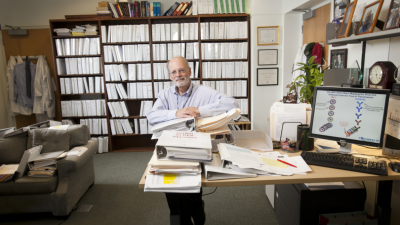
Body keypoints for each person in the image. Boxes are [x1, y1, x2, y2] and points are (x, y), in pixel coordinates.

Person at [147, 56, 238, 225]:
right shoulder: (165, 94)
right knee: (172, 194)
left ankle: (197, 216)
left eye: (182, 70)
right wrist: (175, 113)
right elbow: (151, 117)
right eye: (174, 72)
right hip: (169, 150)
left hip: (195, 150)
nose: (178, 75)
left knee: (191, 194)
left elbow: (232, 104)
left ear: (189, 71)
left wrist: (200, 110)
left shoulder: (204, 92)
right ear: (169, 75)